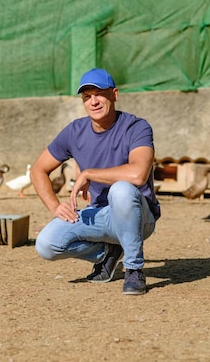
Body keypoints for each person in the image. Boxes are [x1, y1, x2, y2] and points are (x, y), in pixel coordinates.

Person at [30, 68, 161, 295]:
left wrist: (89, 173)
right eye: (87, 97)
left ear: (114, 94)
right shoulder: (74, 131)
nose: (93, 102)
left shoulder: (137, 127)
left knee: (121, 190)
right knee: (46, 245)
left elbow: (138, 174)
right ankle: (107, 252)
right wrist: (54, 206)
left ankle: (133, 269)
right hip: (101, 215)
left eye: (99, 94)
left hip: (139, 216)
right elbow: (38, 169)